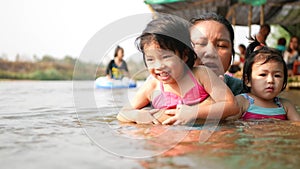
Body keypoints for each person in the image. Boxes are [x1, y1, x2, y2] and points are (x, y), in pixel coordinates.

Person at [117, 14, 239, 125]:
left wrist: (194, 112)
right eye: (150, 60)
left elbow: (232, 105)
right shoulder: (153, 85)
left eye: (166, 57)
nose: (159, 66)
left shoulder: (201, 74)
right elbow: (122, 113)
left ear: (185, 55)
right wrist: (137, 115)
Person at [229, 41, 300, 121]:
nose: (270, 80)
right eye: (263, 75)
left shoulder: (286, 106)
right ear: (247, 80)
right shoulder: (242, 102)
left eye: (277, 75)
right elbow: (227, 126)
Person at [190, 12, 243, 95]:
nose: (211, 52)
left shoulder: (246, 93)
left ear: (231, 55)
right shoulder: (167, 90)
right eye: (201, 43)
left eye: (221, 45)